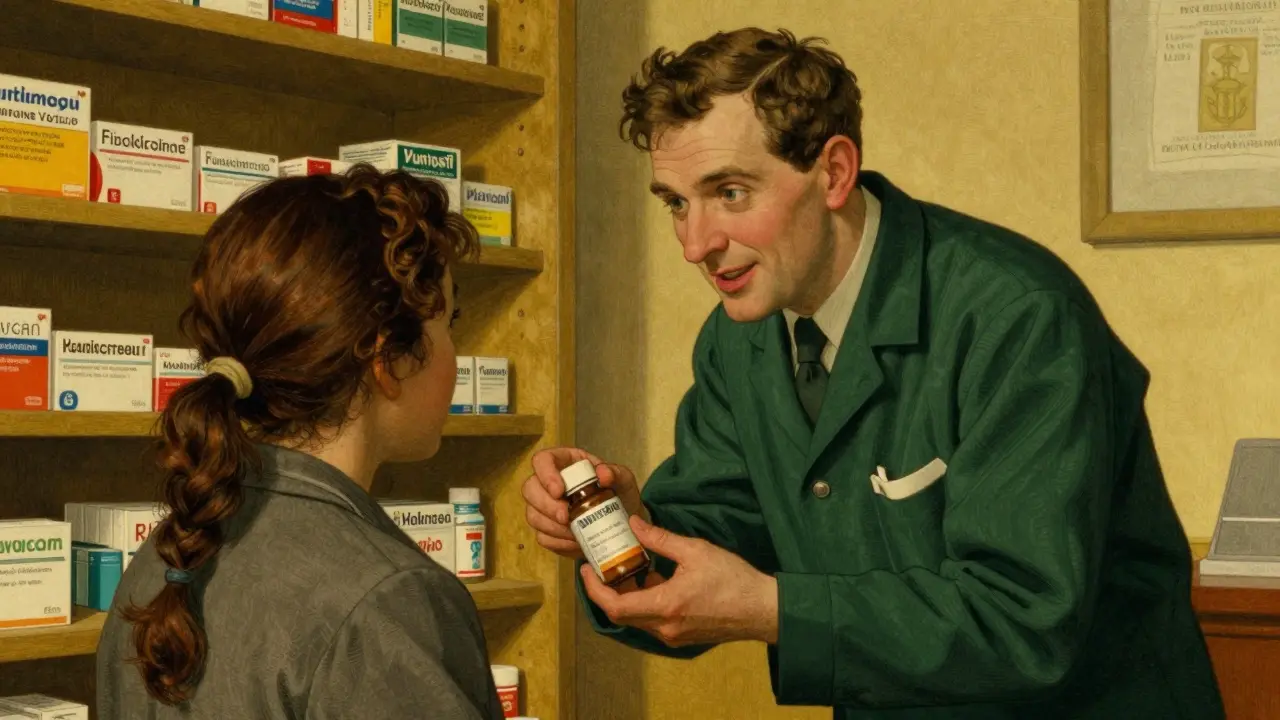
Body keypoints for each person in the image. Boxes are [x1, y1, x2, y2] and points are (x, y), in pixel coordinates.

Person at [522, 27, 1226, 719]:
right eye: (676, 203)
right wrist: (625, 531)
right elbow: (724, 535)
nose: (696, 244)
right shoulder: (738, 341)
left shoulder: (1017, 316)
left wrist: (775, 609)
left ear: (833, 172)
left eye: (730, 193)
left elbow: (1024, 621)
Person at [96, 165, 503, 719]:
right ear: (386, 361)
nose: (456, 353)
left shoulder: (166, 558)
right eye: (448, 321)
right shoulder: (384, 599)